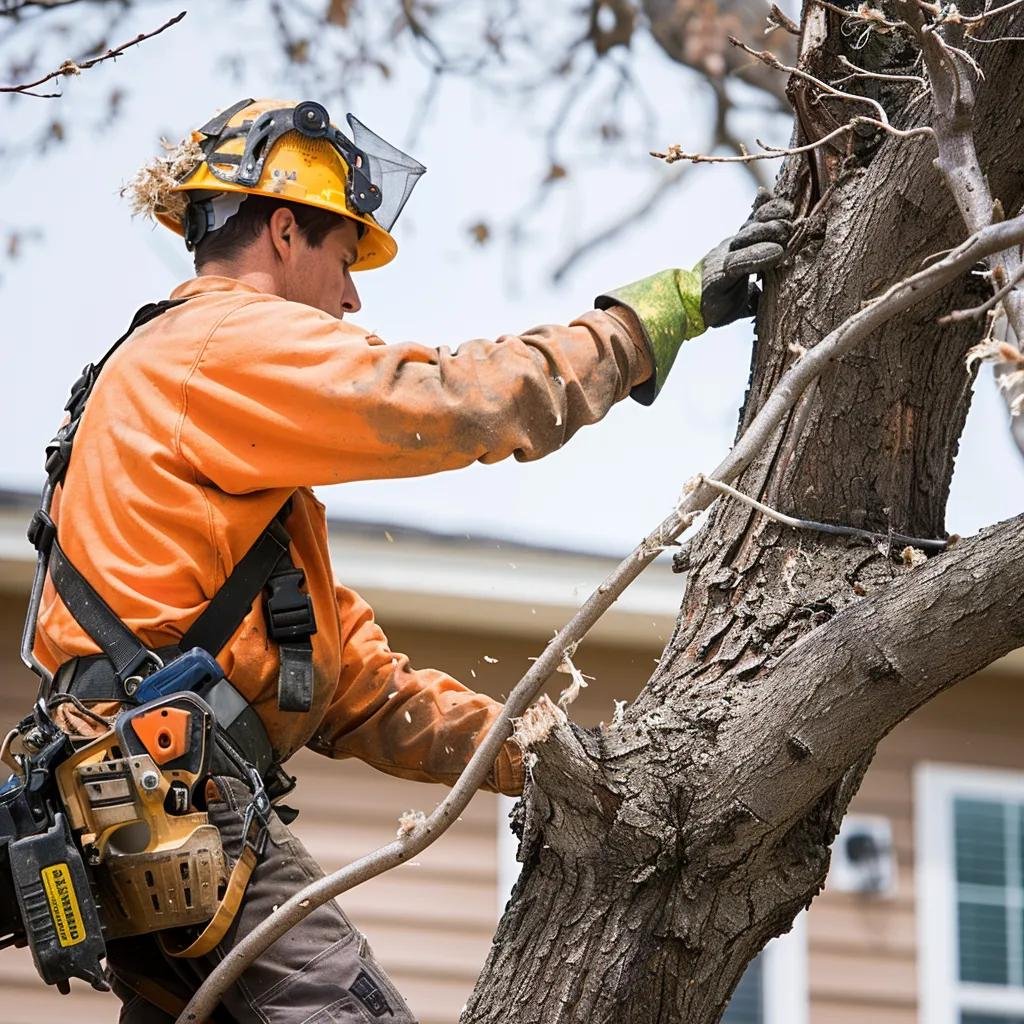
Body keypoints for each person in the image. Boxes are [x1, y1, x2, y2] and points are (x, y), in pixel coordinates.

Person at [31, 98, 793, 1023]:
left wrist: (536, 754)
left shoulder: (203, 440)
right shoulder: (217, 347)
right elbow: (452, 399)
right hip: (169, 804)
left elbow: (356, 688)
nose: (352, 298)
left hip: (136, 817)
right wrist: (646, 322)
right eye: (345, 260)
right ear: (282, 231)